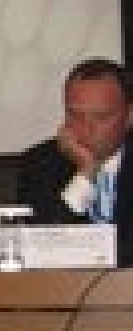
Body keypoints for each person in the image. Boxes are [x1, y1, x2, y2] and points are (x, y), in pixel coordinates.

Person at [17, 57, 133, 266]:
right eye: (75, 115)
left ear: (129, 116)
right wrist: (85, 173)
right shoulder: (40, 164)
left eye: (101, 117)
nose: (86, 128)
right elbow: (42, 247)